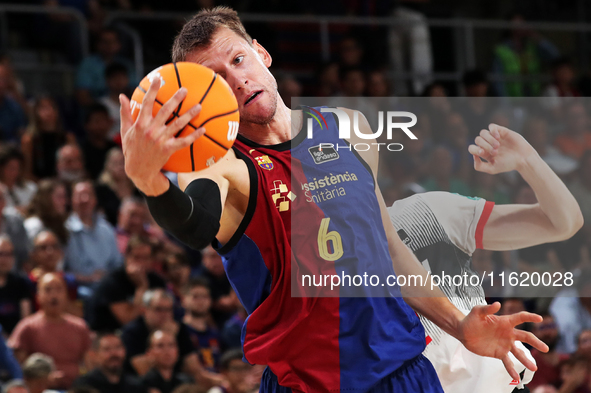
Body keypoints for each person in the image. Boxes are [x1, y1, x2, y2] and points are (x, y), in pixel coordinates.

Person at [120, 7, 548, 393]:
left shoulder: (349, 127)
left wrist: (459, 325)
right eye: (217, 80)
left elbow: (390, 251)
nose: (238, 80)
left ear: (261, 53)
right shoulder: (221, 165)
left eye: (238, 60)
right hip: (307, 383)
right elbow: (194, 226)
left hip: (402, 371)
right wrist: (148, 179)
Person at [388, 124, 583, 393]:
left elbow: (564, 223)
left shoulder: (428, 210)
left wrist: (527, 160)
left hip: (496, 379)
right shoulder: (323, 251)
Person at [8, 273, 92, 390]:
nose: (54, 295)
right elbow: (18, 368)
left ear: (66, 294)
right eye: (47, 290)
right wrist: (43, 379)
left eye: (59, 289)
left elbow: (90, 364)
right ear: (38, 296)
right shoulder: (27, 327)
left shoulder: (80, 327)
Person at [120, 289, 216, 386]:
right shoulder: (132, 332)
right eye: (158, 309)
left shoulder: (179, 328)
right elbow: (144, 371)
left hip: (176, 382)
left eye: (168, 309)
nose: (164, 314)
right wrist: (168, 337)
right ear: (144, 309)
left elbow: (195, 369)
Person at [87, 235, 165, 332]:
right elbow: (128, 321)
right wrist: (142, 287)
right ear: (126, 257)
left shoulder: (157, 281)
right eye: (136, 257)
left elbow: (164, 314)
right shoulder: (112, 282)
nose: (141, 263)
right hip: (108, 334)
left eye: (146, 258)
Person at [64, 180, 122, 285]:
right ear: (71, 200)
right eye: (79, 196)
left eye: (88, 195)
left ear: (95, 200)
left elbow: (117, 264)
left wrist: (106, 277)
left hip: (107, 286)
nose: (84, 200)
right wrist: (89, 279)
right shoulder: (65, 230)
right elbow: (61, 270)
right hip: (77, 288)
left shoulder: (107, 229)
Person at [21, 96, 77, 180]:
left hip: (64, 183)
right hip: (37, 186)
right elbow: (26, 172)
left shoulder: (68, 138)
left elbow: (75, 167)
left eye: (52, 106)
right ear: (35, 112)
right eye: (43, 107)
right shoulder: (29, 140)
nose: (49, 111)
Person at [76, 29, 136, 106]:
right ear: (98, 44)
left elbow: (136, 91)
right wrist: (102, 108)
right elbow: (82, 96)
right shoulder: (87, 64)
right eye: (105, 42)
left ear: (119, 44)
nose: (109, 45)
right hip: (97, 109)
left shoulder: (126, 64)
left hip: (124, 106)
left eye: (113, 42)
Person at [72, 332, 147, 393]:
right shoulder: (84, 385)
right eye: (107, 349)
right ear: (95, 355)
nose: (114, 353)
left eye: (118, 347)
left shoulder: (135, 385)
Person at [28, 231, 79, 315]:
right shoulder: (27, 283)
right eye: (43, 248)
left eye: (54, 247)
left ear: (61, 252)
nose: (50, 252)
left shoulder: (69, 281)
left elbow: (78, 314)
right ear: (33, 254)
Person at [182, 278, 221, 372]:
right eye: (195, 296)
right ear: (184, 300)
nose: (201, 301)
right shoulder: (180, 332)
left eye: (205, 296)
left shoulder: (215, 334)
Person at [95, 147, 137, 226]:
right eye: (116, 163)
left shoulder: (137, 188)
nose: (120, 166)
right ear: (108, 166)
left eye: (123, 162)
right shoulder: (102, 190)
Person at [0, 235, 32, 334]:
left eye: (9, 254)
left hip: (16, 341)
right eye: (1, 254)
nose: (4, 259)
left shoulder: (21, 283)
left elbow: (25, 320)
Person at [24, 180, 69, 245]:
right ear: (46, 199)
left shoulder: (63, 225)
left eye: (64, 197)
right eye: (59, 197)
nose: (64, 202)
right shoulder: (34, 225)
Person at [81, 104, 118, 180]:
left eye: (104, 120)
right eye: (97, 121)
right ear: (86, 124)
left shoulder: (115, 148)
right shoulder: (81, 150)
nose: (101, 125)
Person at [0, 145, 37, 214]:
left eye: (18, 168)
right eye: (11, 168)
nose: (15, 172)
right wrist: (16, 210)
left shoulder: (30, 187)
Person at [99, 63, 131, 141]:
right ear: (107, 81)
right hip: (110, 143)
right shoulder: (102, 104)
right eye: (114, 78)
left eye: (121, 78)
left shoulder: (134, 103)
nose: (118, 81)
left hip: (130, 143)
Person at [0, 187, 30, 269]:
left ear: (5, 202)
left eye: (0, 198)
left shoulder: (16, 222)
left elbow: (24, 255)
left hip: (13, 275)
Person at [0, 63, 27, 143]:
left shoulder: (14, 107)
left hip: (8, 151)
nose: (0, 84)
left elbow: (21, 134)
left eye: (3, 79)